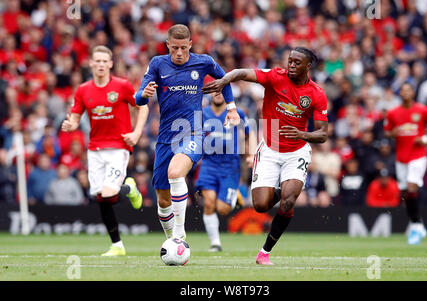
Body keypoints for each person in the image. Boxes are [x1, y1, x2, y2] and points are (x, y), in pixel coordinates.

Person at [202, 47, 328, 265]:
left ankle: (265, 252)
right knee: (261, 205)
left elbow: (323, 133)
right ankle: (284, 187)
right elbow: (242, 72)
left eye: (297, 63)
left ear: (308, 66)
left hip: (296, 151)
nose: (291, 65)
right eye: (290, 61)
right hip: (269, 149)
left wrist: (302, 134)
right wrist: (224, 80)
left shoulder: (316, 93)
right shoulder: (275, 77)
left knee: (288, 202)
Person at [135, 24, 240, 240]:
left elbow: (225, 80)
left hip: (192, 132)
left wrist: (231, 108)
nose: (180, 52)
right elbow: (139, 98)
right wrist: (143, 95)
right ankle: (172, 241)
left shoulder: (203, 62)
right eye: (175, 48)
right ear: (168, 45)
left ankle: (179, 234)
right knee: (163, 201)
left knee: (175, 173)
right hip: (165, 138)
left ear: (190, 44)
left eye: (184, 47)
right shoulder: (157, 64)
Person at [61, 45, 148, 256]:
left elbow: (142, 106)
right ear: (91, 63)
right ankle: (117, 245)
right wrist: (71, 125)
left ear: (110, 64)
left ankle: (128, 188)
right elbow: (75, 116)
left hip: (118, 147)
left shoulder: (122, 86)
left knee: (108, 192)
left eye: (104, 61)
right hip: (95, 149)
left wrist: (136, 134)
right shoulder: (83, 90)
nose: (100, 64)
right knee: (100, 197)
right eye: (96, 61)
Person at [196, 90, 254, 252]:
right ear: (210, 95)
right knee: (208, 203)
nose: (218, 94)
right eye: (214, 91)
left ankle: (235, 195)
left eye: (221, 91)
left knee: (223, 209)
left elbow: (250, 133)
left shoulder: (237, 113)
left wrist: (250, 155)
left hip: (230, 166)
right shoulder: (202, 113)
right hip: (209, 164)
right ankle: (215, 243)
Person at [384, 82, 427, 245]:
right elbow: (387, 133)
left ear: (413, 93)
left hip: (418, 155)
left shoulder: (422, 110)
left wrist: (426, 139)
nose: (405, 93)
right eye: (403, 90)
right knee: (407, 192)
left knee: (412, 187)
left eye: (408, 90)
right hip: (401, 157)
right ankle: (418, 224)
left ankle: (415, 226)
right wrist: (391, 134)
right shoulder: (393, 113)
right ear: (400, 94)